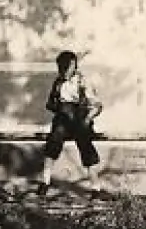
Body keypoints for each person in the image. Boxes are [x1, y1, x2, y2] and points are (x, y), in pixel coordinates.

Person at [39, 50, 104, 197]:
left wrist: (87, 119)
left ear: (74, 66)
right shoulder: (58, 83)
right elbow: (50, 103)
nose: (63, 72)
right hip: (63, 118)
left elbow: (97, 105)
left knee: (85, 146)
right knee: (54, 140)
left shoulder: (82, 82)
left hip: (80, 118)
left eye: (66, 68)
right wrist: (60, 107)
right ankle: (45, 182)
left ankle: (96, 188)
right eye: (61, 68)